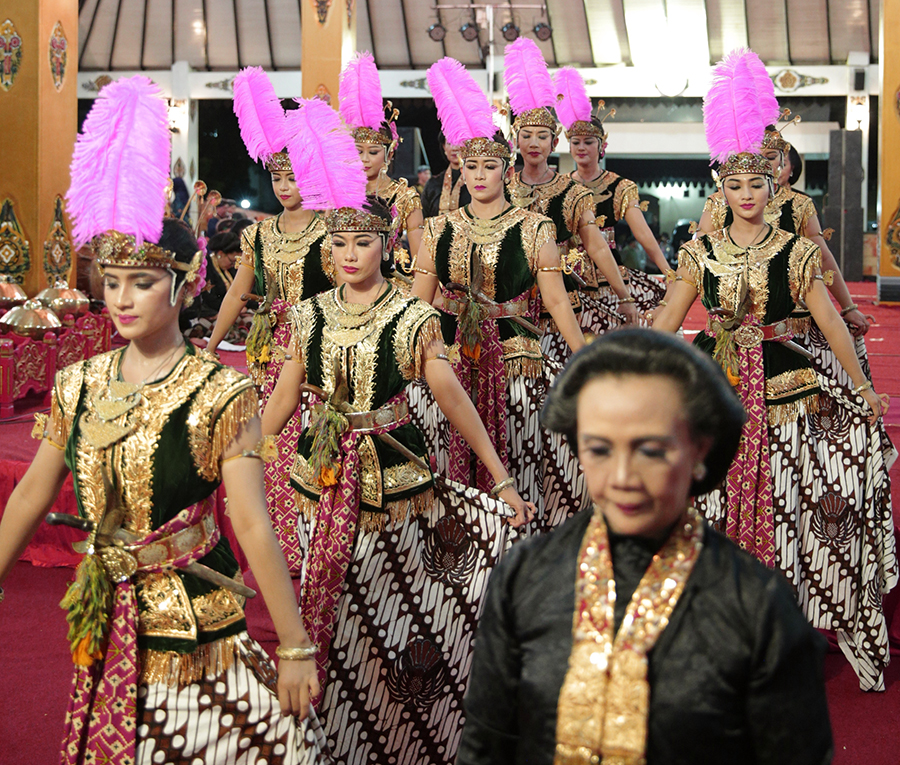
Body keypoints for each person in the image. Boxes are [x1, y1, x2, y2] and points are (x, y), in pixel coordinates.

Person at [0, 76, 326, 765]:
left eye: (142, 282)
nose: (120, 298)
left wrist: (293, 643)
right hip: (105, 611)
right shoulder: (77, 382)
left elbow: (251, 523)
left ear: (185, 284)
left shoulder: (217, 393)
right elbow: (33, 491)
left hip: (195, 624)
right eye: (110, 279)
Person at [263, 99, 534, 765]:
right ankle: (334, 738)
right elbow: (279, 408)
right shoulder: (309, 315)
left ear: (387, 243)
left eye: (363, 241)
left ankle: (407, 733)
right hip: (319, 481)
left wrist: (499, 477)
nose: (350, 253)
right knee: (330, 609)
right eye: (339, 242)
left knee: (393, 614)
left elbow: (454, 400)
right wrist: (234, 454)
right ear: (326, 249)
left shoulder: (412, 316)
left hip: (396, 481)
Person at [457, 329, 834, 765]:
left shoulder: (755, 603)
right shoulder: (524, 577)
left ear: (699, 450)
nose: (622, 478)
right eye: (599, 450)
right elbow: (485, 747)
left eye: (650, 451)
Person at [654, 49, 896, 692]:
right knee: (716, 507)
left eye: (757, 184)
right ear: (720, 191)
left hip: (790, 386)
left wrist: (866, 389)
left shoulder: (795, 250)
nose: (747, 195)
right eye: (734, 186)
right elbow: (665, 323)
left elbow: (836, 325)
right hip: (722, 391)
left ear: (773, 184)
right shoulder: (699, 250)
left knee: (798, 504)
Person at [411, 57, 588, 532]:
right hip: (447, 361)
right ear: (462, 169)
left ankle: (522, 562)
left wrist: (584, 358)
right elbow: (416, 307)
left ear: (506, 168)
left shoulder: (534, 228)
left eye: (490, 165)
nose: (479, 175)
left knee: (525, 458)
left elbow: (554, 302)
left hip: (516, 359)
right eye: (472, 166)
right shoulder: (438, 228)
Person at [206, 67, 334, 575]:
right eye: (278, 178)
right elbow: (240, 290)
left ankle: (311, 542)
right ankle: (272, 544)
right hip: (266, 350)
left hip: (315, 344)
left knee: (307, 443)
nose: (285, 186)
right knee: (268, 441)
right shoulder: (258, 234)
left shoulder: (331, 229)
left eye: (294, 177)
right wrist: (213, 344)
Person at [502, 39, 636, 366]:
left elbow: (597, 247)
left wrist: (624, 295)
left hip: (562, 304)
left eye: (542, 136)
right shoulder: (501, 189)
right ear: (515, 138)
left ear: (555, 140)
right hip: (510, 306)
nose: (534, 143)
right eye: (527, 135)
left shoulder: (573, 192)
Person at [554, 67, 668, 320]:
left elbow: (643, 234)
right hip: (567, 276)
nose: (581, 147)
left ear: (602, 145)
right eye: (576, 142)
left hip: (609, 277)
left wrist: (668, 271)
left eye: (589, 142)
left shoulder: (620, 187)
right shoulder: (559, 186)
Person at [338, 52, 424, 277]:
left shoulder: (405, 197)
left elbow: (420, 260)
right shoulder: (342, 193)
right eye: (359, 151)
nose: (364, 159)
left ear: (388, 155)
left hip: (394, 283)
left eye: (373, 152)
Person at [421, 133, 472, 218]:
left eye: (459, 143)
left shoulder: (476, 181)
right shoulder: (433, 184)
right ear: (444, 147)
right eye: (449, 143)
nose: (454, 148)